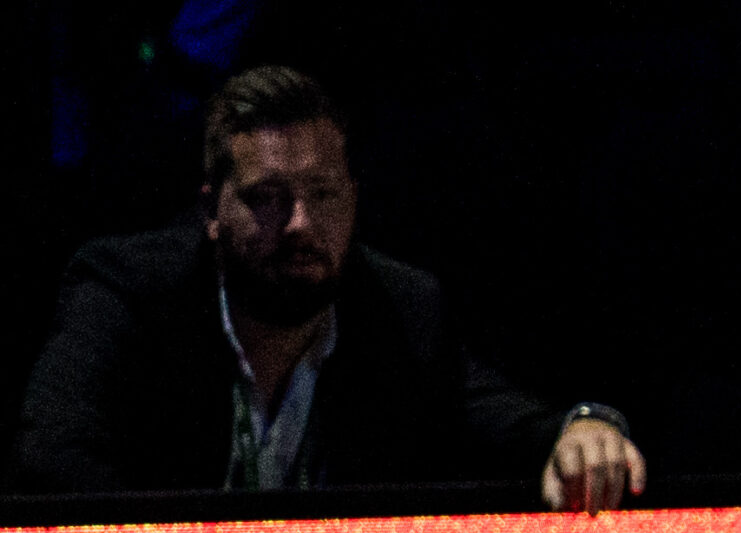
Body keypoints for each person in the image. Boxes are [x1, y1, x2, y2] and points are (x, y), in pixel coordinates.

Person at [12, 66, 645, 508]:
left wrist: (584, 427)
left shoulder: (401, 307)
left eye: (323, 194)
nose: (301, 224)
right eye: (267, 198)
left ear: (354, 198)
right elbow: (52, 455)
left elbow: (500, 420)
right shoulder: (128, 292)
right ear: (212, 210)